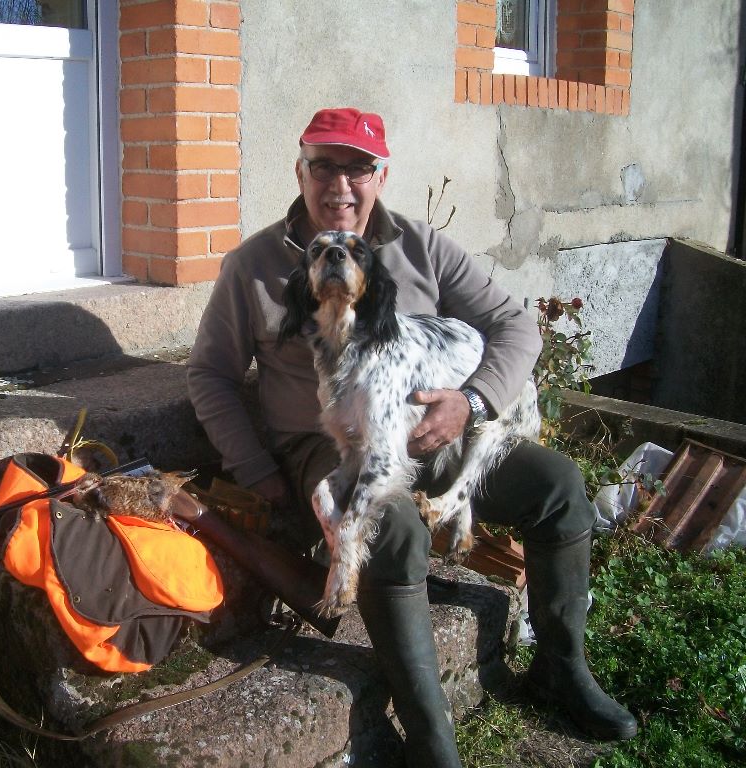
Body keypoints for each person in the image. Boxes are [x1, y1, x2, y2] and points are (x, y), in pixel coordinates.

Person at [185, 107, 637, 767]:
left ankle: (560, 668)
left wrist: (472, 400)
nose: (341, 184)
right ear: (300, 171)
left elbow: (516, 329)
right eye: (325, 166)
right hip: (330, 448)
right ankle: (432, 739)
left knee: (560, 488)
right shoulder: (253, 266)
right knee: (394, 530)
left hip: (440, 436)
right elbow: (210, 374)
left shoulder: (422, 247)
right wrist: (253, 468)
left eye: (358, 168)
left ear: (380, 175)